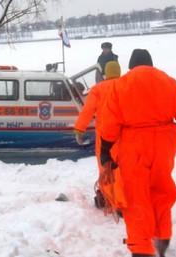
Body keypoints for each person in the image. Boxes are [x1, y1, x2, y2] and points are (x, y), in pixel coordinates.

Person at [99, 49, 176, 257]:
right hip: (164, 145)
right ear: (151, 64)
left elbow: (108, 122)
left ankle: (142, 248)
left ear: (131, 66)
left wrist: (105, 151)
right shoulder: (168, 81)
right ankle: (162, 238)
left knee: (136, 198)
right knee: (162, 192)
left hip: (134, 147)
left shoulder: (121, 85)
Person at [73, 61, 125, 211]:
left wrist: (79, 129)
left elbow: (88, 111)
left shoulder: (98, 89)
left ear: (105, 74)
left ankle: (111, 201)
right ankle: (123, 202)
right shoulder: (127, 86)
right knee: (123, 170)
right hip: (125, 136)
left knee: (106, 170)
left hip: (104, 138)